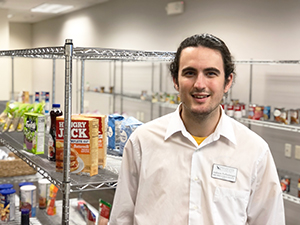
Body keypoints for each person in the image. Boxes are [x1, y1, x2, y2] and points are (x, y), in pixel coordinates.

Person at [109, 34, 285, 225]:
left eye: (211, 73)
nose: (199, 84)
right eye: (190, 73)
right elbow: (121, 218)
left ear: (227, 82)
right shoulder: (142, 142)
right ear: (175, 80)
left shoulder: (254, 151)